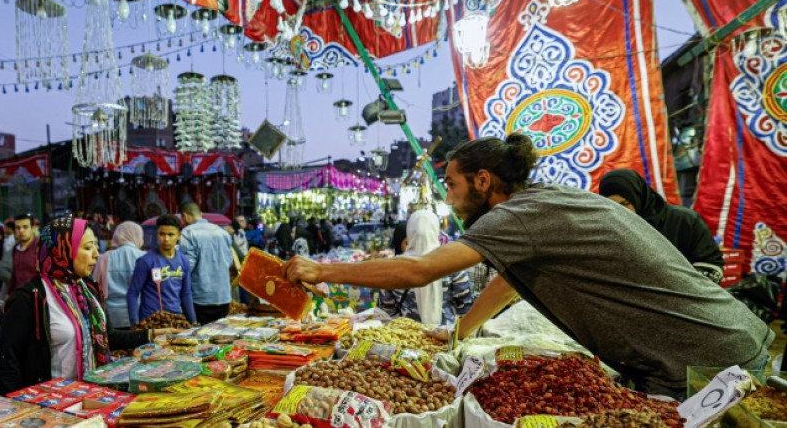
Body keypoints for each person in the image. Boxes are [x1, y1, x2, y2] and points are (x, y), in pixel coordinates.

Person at [284, 134, 773, 399]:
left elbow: (419, 270)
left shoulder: (519, 213)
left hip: (707, 360)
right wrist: (462, 330)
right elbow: (508, 280)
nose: (449, 202)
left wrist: (320, 271)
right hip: (714, 344)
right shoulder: (541, 204)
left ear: (482, 180)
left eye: (452, 187)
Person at [0, 216, 175, 395]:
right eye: (88, 248)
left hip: (93, 397)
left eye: (96, 246)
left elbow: (107, 336)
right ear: (63, 250)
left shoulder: (88, 288)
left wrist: (151, 335)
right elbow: (9, 365)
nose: (96, 254)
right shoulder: (28, 298)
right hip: (51, 405)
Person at [599, 168, 725, 283]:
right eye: (611, 205)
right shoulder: (608, 228)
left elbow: (712, 265)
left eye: (624, 203)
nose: (619, 211)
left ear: (639, 198)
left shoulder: (684, 221)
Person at [377, 210, 474, 326]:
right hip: (445, 336)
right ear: (436, 231)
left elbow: (386, 312)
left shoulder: (393, 267)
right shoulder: (453, 265)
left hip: (406, 338)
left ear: (409, 232)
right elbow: (466, 307)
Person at [127, 214, 196, 326]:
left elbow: (186, 293)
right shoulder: (146, 261)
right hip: (151, 321)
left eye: (171, 234)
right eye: (162, 234)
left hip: (175, 320)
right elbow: (132, 293)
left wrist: (193, 321)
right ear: (157, 234)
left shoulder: (184, 261)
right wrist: (135, 324)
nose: (166, 239)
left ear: (179, 235)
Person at [178, 202, 233, 325]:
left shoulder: (187, 233)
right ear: (201, 214)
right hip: (223, 297)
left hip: (200, 299)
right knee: (220, 337)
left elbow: (187, 267)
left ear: (185, 216)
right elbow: (229, 262)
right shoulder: (222, 232)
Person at [94, 221, 146, 329]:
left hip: (111, 318)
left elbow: (95, 286)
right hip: (139, 315)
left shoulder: (103, 259)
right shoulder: (145, 258)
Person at [6, 213, 39, 295]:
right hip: (19, 297)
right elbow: (14, 275)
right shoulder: (15, 248)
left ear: (33, 228)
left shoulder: (41, 247)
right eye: (18, 228)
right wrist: (8, 295)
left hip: (37, 297)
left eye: (25, 227)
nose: (21, 230)